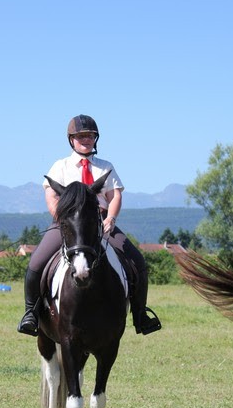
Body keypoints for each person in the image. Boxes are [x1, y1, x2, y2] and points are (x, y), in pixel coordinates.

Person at [17, 114, 161, 337]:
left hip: (100, 222)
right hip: (68, 224)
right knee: (36, 263)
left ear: (96, 139)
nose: (86, 140)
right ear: (71, 140)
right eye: (81, 136)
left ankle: (140, 315)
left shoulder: (106, 167)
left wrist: (110, 219)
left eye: (90, 136)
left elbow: (115, 196)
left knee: (137, 261)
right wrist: (63, 219)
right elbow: (51, 196)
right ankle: (31, 314)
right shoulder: (60, 166)